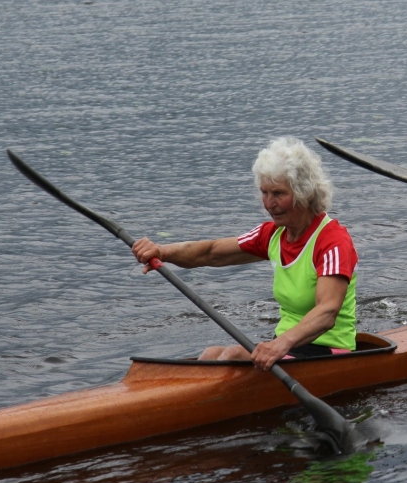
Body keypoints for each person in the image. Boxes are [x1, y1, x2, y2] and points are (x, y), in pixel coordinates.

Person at [131, 137, 358, 370]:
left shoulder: (332, 241)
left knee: (234, 354)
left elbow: (327, 312)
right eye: (264, 193)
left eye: (278, 194)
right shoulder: (273, 234)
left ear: (304, 193)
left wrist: (280, 344)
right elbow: (211, 252)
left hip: (330, 352)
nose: (269, 204)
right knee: (212, 353)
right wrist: (162, 251)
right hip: (288, 348)